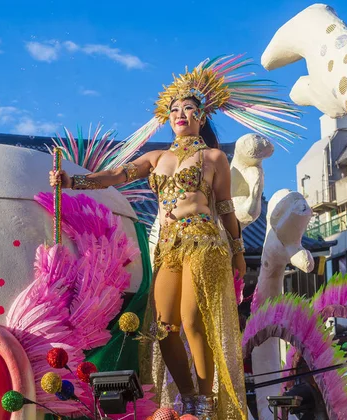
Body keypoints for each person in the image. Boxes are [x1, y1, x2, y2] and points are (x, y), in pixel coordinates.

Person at [50, 55, 301, 420]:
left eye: (188, 109)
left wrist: (237, 254)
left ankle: (205, 402)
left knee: (193, 321)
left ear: (201, 117)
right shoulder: (155, 158)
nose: (180, 114)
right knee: (162, 327)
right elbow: (117, 175)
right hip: (168, 247)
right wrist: (75, 182)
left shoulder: (214, 157)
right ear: (167, 120)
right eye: (174, 110)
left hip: (205, 242)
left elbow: (227, 210)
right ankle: (187, 397)